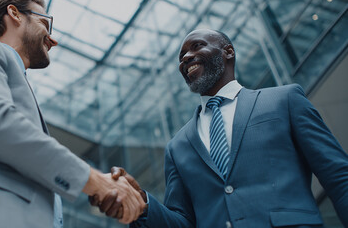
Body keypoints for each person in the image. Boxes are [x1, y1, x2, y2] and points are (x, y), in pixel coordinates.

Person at [0, 0, 145, 228]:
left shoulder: (20, 87)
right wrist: (95, 181)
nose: (53, 39)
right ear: (14, 13)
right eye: (45, 23)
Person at [90, 29, 348, 228]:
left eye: (197, 46)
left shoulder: (285, 100)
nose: (186, 58)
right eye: (181, 57)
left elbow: (338, 177)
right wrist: (144, 205)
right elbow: (182, 221)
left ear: (228, 52)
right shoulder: (177, 146)